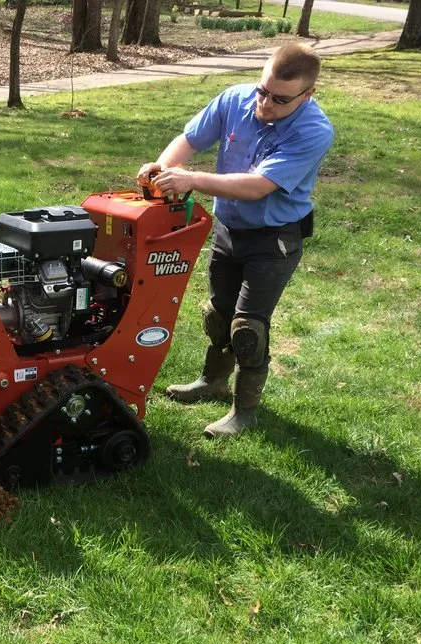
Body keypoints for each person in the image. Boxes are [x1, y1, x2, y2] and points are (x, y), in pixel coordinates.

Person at [137, 42, 334, 438]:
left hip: (274, 240)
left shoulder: (314, 131)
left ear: (308, 94)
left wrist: (192, 179)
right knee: (219, 313)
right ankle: (213, 381)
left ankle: (244, 413)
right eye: (263, 91)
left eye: (280, 99)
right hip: (229, 230)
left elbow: (258, 187)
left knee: (248, 327)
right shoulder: (235, 98)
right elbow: (190, 138)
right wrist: (164, 166)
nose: (265, 104)